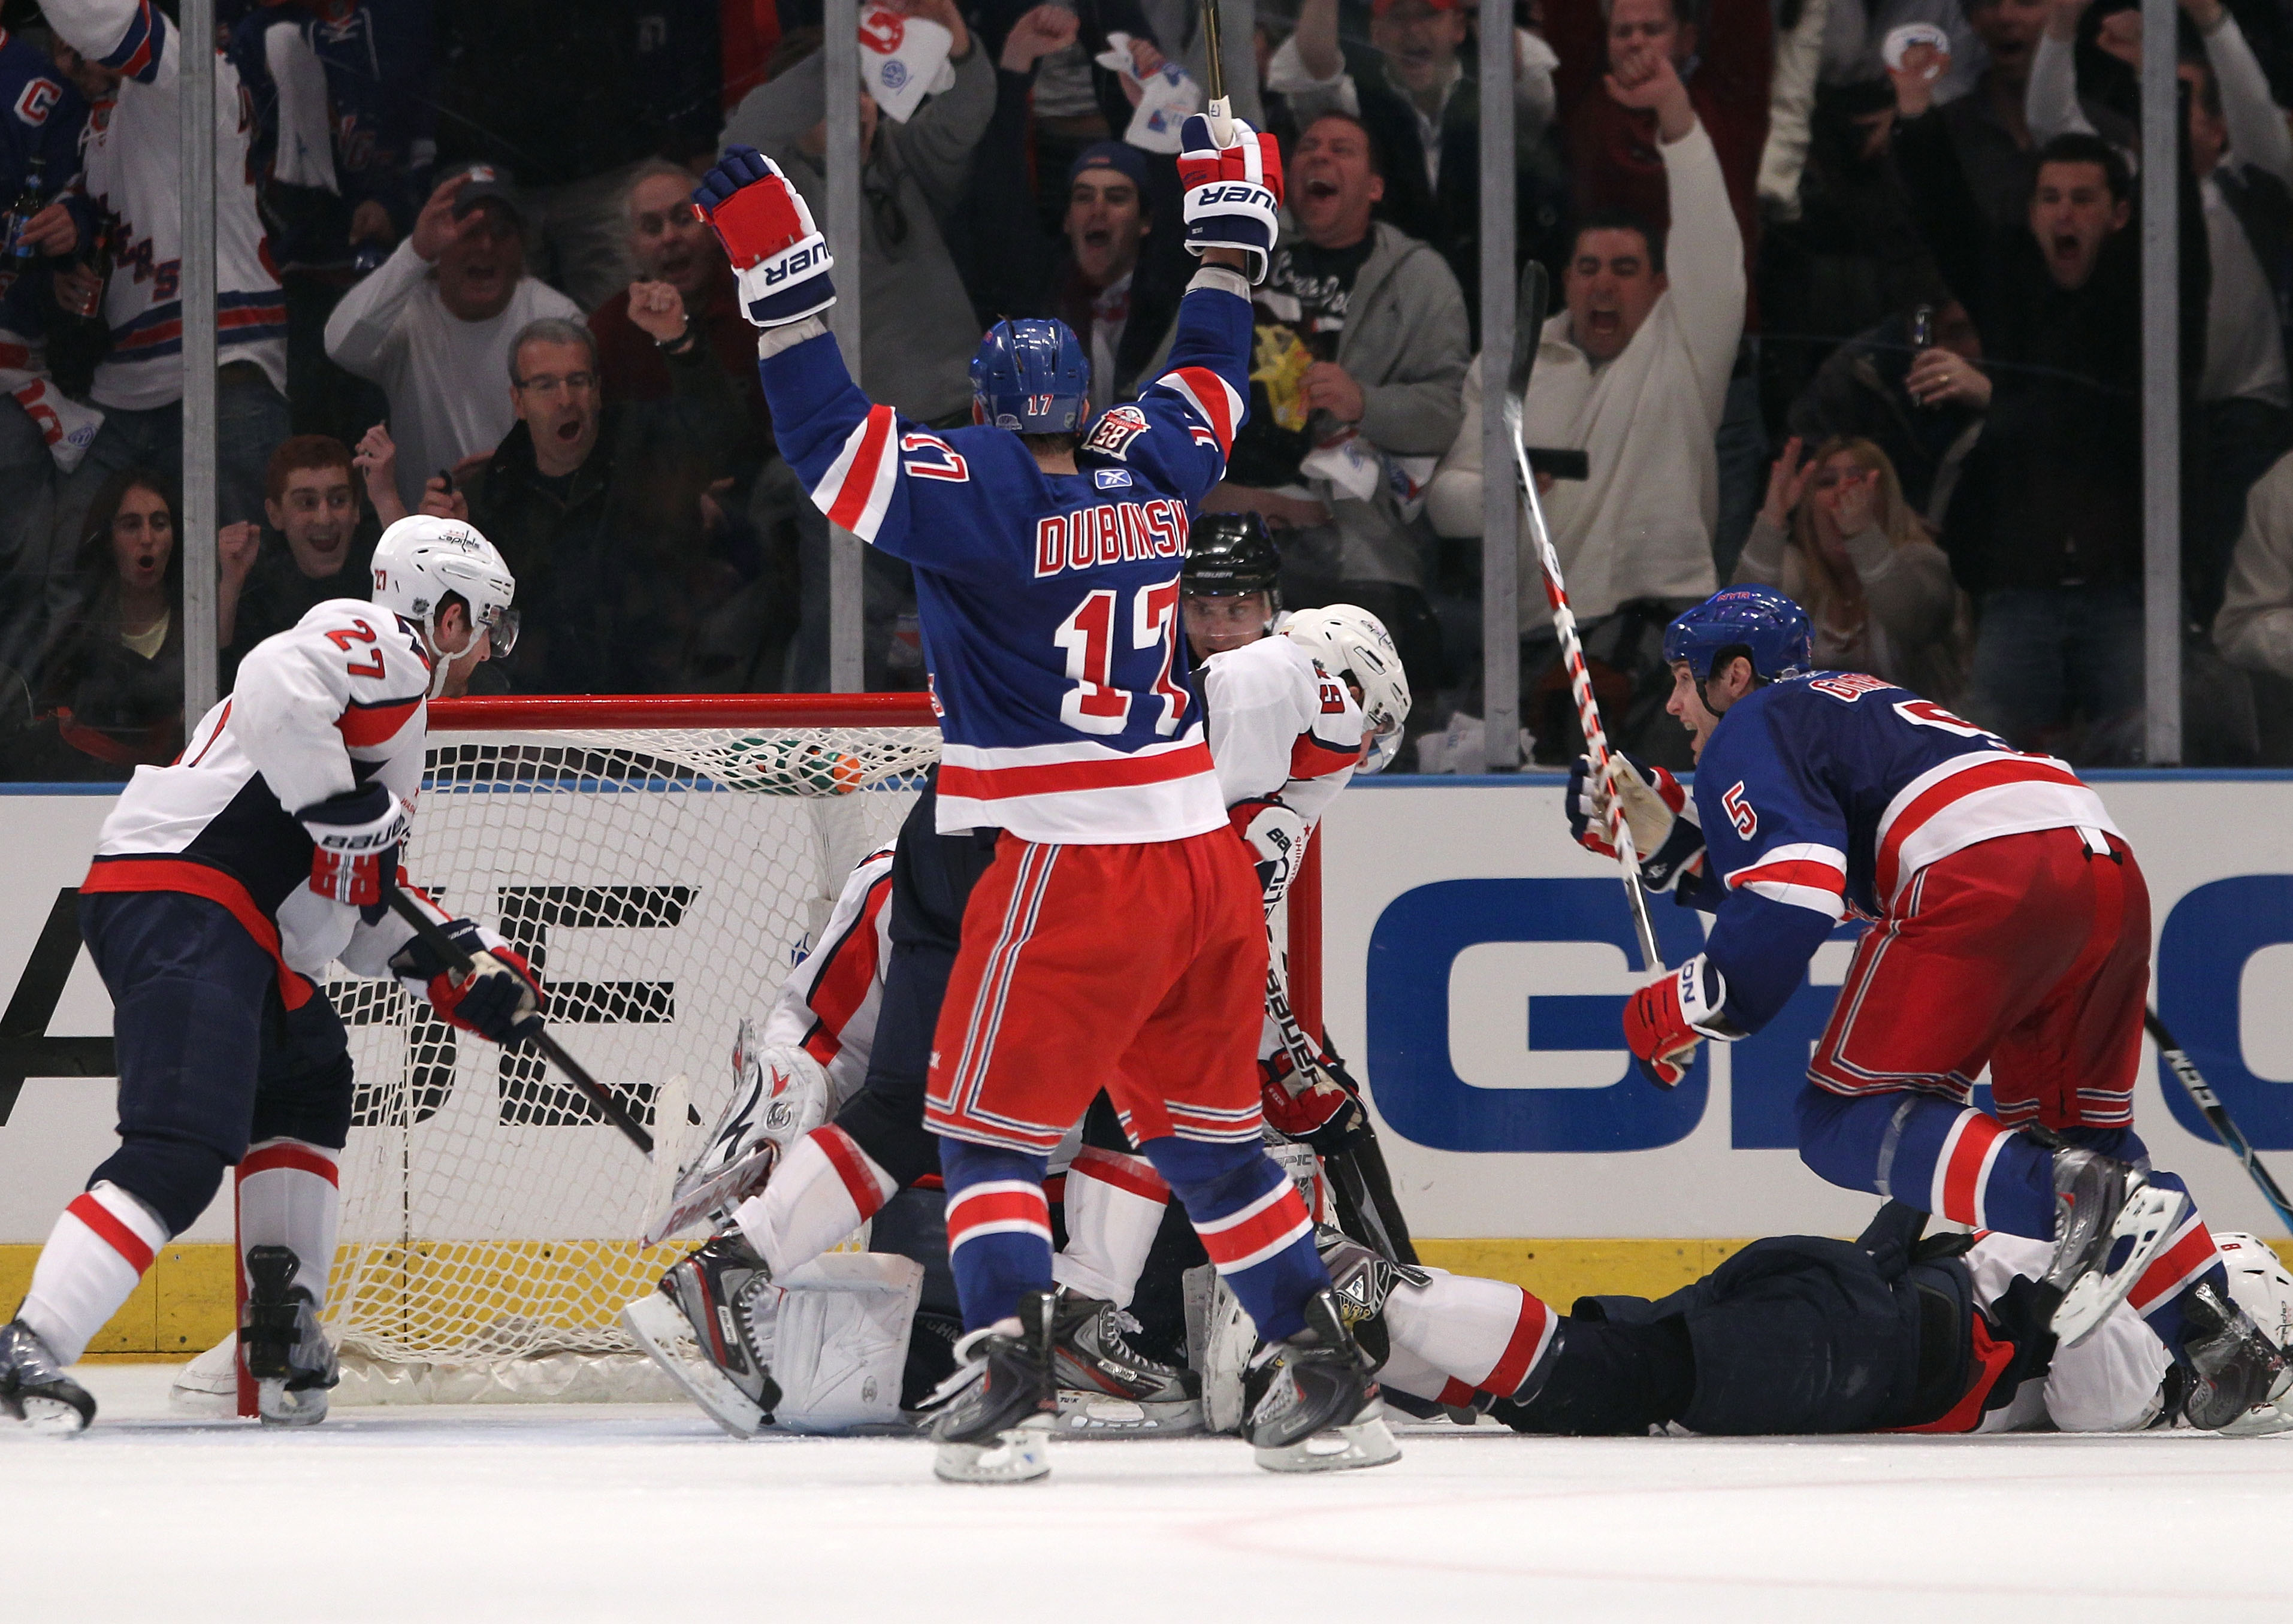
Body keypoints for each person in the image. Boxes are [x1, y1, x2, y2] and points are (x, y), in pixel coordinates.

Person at [662, 125, 1396, 1484]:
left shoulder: (978, 490)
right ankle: (1318, 1373)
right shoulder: (1157, 473)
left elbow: (827, 447)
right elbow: (1212, 372)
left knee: (978, 1127)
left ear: (992, 407)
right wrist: (1229, 239)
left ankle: (1005, 1383)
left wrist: (786, 282)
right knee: (1201, 1135)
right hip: (1201, 860)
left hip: (1074, 863)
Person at [1564, 583, 2292, 1435]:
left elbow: (1789, 902)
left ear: (1735, 674)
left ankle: (2075, 1200)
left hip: (1984, 872)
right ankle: (2216, 1339)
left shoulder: (1755, 723)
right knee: (2066, 1146)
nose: (1676, 704)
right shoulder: (1861, 703)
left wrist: (1681, 1005)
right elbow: (1829, 878)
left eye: (1685, 680)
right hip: (2099, 866)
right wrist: (1672, 850)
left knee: (1844, 1116)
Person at [0, 516, 533, 1433]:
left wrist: (462, 965)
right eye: (486, 623)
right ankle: (29, 1340)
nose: (487, 646)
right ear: (444, 616)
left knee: (309, 1071)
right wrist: (335, 806)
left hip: (221, 914)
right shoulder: (388, 651)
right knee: (179, 1147)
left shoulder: (390, 730)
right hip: (193, 894)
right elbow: (273, 681)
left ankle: (283, 1320)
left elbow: (360, 913)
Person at [1425, 48, 1743, 768]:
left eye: (1625, 270)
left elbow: (1712, 245)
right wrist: (1501, 494)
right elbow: (1446, 503)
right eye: (1588, 268)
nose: (1604, 286)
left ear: (1661, 286)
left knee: (1668, 816)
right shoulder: (1509, 365)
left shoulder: (1685, 346)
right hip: (1536, 640)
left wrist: (1673, 115)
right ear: (1565, 278)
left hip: (1671, 637)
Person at [1899, 131, 2199, 761]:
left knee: (2154, 745)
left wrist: (1992, 394)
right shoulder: (2014, 298)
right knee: (1980, 759)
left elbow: (2110, 418)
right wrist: (1917, 116)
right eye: (2050, 198)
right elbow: (1949, 225)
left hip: (2126, 589)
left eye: (2082, 198)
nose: (2063, 213)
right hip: (2019, 589)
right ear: (2031, 212)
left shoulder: (2146, 307)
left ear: (2119, 214)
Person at [723, 7, 995, 689]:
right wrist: (842, 53)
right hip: (855, 444)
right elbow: (744, 135)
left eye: (869, 92)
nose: (863, 110)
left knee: (975, 617)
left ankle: (984, 753)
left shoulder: (904, 162)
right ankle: (825, 779)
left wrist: (954, 40)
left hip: (958, 426)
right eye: (845, 96)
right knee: (845, 629)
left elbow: (965, 111)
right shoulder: (776, 196)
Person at [1201, 112, 1468, 752]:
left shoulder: (1417, 277)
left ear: (1373, 186)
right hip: (1227, 524)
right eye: (1309, 148)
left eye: (1341, 148)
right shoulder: (1250, 262)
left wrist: (1364, 401)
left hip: (1355, 543)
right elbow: (1177, 379)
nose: (1320, 157)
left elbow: (1447, 408)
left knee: (1354, 732)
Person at [38, 0, 292, 615]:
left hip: (223, 366)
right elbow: (96, 227)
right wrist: (66, 274)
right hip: (124, 385)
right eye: (59, 49)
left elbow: (100, 20)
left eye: (75, 48)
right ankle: (90, 709)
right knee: (71, 565)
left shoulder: (185, 73)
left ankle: (261, 710)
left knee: (250, 577)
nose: (68, 60)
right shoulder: (94, 128)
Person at [415, 315, 747, 694]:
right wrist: (446, 545)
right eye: (545, 385)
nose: (566, 400)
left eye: (578, 381)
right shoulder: (487, 496)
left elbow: (724, 434)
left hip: (660, 702)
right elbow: (460, 627)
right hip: (537, 715)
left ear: (598, 390)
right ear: (518, 401)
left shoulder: (648, 451)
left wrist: (682, 344)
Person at [1267, 0, 1564, 316]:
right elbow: (1312, 71)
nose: (1412, 30)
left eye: (1428, 15)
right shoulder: (1356, 105)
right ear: (1376, 32)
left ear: (1459, 26)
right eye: (1397, 18)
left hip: (1498, 319)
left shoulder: (1499, 96)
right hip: (1388, 318)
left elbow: (1529, 87)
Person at [324, 167, 584, 513]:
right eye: (469, 231)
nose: (486, 245)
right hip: (427, 533)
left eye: (501, 233)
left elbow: (583, 424)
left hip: (532, 519)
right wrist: (415, 253)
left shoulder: (556, 318)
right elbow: (339, 345)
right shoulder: (407, 315)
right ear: (439, 242)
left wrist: (514, 465)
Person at [1736, 434, 1964, 698]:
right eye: (1827, 482)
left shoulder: (1923, 562)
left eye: (1857, 480)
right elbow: (1740, 636)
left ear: (1886, 498)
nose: (1842, 492)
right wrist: (1771, 521)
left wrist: (1862, 535)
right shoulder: (1796, 569)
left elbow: (1917, 621)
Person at [588, 161, 773, 456]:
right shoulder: (609, 330)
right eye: (652, 228)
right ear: (631, 245)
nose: (669, 237)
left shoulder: (764, 306)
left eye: (684, 219)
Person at [1784, 295, 1989, 525]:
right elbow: (1805, 480)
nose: (1940, 354)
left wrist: (1993, 401)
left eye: (1959, 333)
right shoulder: (1856, 371)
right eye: (1924, 335)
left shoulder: (2015, 369)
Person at [220, 436, 385, 681]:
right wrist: (231, 583)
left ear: (356, 508)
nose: (324, 518)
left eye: (338, 500)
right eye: (307, 503)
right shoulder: (260, 592)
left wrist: (387, 496)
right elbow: (212, 675)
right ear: (275, 514)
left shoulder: (382, 573)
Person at [1051, 143, 1182, 415]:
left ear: (1145, 222)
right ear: (1066, 220)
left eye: (1116, 197)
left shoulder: (1173, 308)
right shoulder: (1041, 307)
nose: (1097, 211)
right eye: (1084, 197)